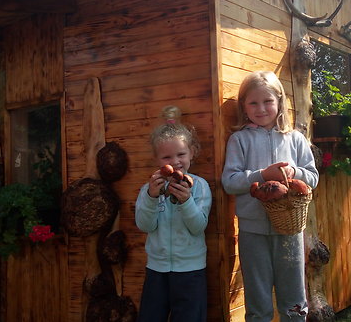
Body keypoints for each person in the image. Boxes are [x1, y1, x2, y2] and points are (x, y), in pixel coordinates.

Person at [222, 71, 319, 321]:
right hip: (252, 231)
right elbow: (229, 182)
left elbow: (313, 177)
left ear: (279, 102)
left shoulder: (295, 139)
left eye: (267, 101)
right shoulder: (239, 140)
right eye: (253, 102)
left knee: (294, 297)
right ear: (244, 106)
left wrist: (294, 171)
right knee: (258, 297)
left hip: (290, 231)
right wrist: (262, 175)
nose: (261, 108)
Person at [135, 105, 212, 322]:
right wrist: (151, 197)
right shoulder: (149, 189)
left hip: (191, 271)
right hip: (156, 269)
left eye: (181, 154)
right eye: (166, 157)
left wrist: (186, 201)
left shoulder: (199, 187)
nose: (175, 162)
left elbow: (198, 226)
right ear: (157, 160)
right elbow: (144, 225)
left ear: (192, 153)